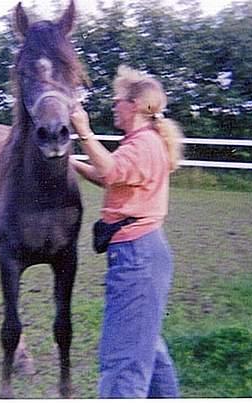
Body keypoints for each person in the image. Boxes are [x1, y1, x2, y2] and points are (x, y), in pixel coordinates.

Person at [70, 65, 183, 398]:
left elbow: (111, 168)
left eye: (117, 100)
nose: (113, 106)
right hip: (143, 253)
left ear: (134, 105)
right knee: (147, 347)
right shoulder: (144, 142)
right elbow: (111, 177)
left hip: (138, 257)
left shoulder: (143, 145)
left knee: (122, 362)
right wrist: (71, 162)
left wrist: (83, 131)